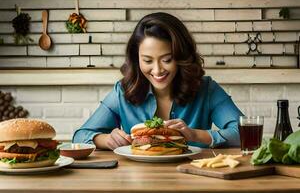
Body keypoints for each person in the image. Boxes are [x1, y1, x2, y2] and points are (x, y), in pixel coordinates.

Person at [72, 12, 242, 149]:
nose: (157, 70)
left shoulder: (206, 88)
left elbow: (244, 133)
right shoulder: (123, 91)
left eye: (167, 60)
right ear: (136, 58)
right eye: (147, 60)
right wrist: (106, 139)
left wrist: (195, 135)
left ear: (181, 57)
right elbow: (80, 136)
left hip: (193, 179)